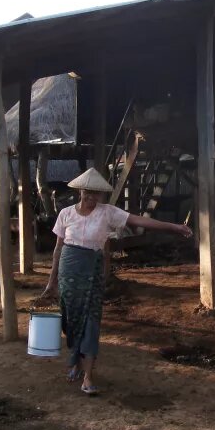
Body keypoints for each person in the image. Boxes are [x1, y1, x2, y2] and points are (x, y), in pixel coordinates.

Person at [40, 168, 192, 395]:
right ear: (80, 191)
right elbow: (58, 249)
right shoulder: (66, 214)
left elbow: (138, 220)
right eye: (88, 193)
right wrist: (51, 282)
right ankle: (76, 363)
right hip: (68, 272)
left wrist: (174, 228)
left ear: (102, 195)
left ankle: (88, 377)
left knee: (90, 322)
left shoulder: (108, 213)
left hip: (91, 272)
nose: (91, 198)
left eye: (96, 194)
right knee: (71, 322)